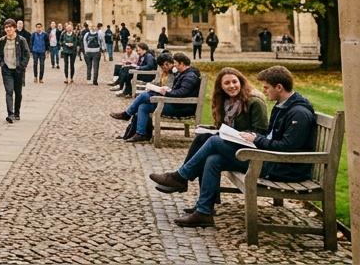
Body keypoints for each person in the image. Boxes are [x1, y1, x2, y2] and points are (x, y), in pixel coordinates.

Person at [149, 66, 317, 228]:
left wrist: (256, 138)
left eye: (266, 87)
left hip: (282, 168)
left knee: (214, 142)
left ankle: (180, 177)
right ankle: (204, 212)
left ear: (279, 87)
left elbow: (286, 148)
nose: (264, 91)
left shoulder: (298, 113)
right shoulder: (283, 106)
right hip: (270, 159)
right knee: (214, 159)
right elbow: (272, 137)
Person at [179, 67, 269, 171]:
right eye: (227, 83)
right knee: (205, 147)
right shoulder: (224, 102)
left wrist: (236, 134)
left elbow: (261, 132)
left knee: (211, 141)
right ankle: (183, 178)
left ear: (241, 82)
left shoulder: (255, 102)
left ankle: (181, 175)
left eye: (235, 82)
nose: (232, 86)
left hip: (248, 149)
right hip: (231, 143)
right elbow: (221, 126)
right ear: (221, 86)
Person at [111, 52, 202, 144]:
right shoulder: (184, 74)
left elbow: (181, 93)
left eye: (176, 63)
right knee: (143, 106)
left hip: (182, 107)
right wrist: (166, 90)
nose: (174, 66)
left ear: (182, 63)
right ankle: (141, 133)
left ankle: (127, 114)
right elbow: (178, 90)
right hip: (176, 104)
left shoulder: (189, 76)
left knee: (143, 96)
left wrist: (166, 91)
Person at [0, 19, 30, 124]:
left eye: (10, 27)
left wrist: (22, 66)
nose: (8, 29)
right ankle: (10, 114)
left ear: (14, 28)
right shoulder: (1, 41)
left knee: (18, 93)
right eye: (6, 27)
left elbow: (26, 54)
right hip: (7, 70)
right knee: (9, 91)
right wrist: (2, 64)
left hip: (18, 70)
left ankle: (17, 113)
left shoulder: (22, 40)